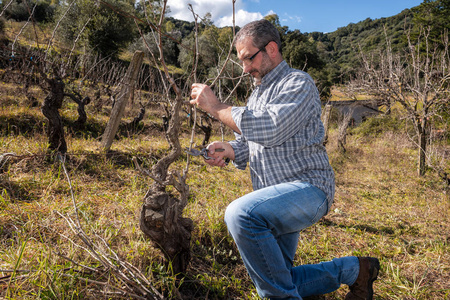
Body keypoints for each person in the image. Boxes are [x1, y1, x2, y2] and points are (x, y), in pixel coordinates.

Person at [189, 19, 380, 300]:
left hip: (308, 189)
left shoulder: (298, 83)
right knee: (280, 279)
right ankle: (355, 270)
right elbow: (251, 142)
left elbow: (270, 128)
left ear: (272, 49)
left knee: (240, 215)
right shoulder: (257, 95)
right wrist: (229, 150)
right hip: (273, 197)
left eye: (248, 58)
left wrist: (217, 107)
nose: (245, 68)